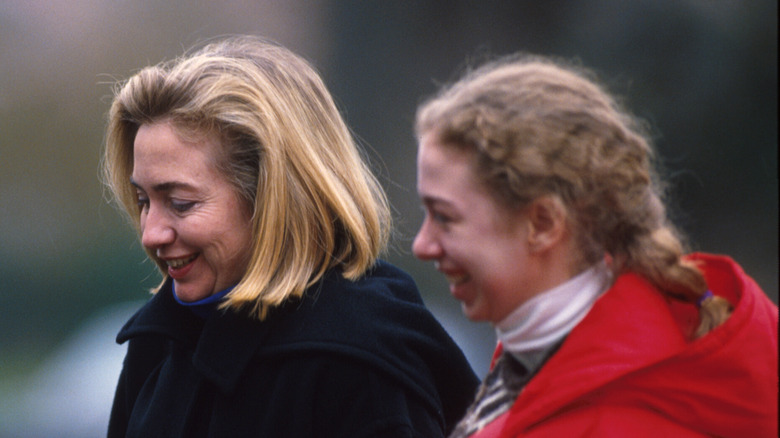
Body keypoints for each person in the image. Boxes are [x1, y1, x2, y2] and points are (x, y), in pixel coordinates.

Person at [101, 35, 479, 437]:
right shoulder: (158, 344)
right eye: (143, 200)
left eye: (180, 203)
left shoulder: (358, 364)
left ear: (274, 198)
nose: (151, 233)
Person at [411, 54, 778, 437]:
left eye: (445, 218)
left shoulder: (615, 413)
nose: (422, 244)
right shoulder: (552, 368)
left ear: (543, 223)